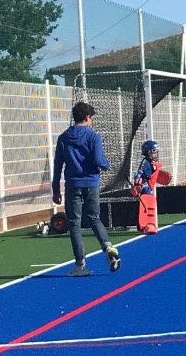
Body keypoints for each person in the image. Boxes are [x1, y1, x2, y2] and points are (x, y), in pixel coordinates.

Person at [51, 102, 120, 277]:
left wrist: (55, 189)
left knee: (74, 223)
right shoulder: (93, 137)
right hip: (91, 183)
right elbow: (98, 160)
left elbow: (58, 165)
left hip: (73, 184)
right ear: (87, 117)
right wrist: (106, 164)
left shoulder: (63, 138)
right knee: (94, 218)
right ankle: (108, 247)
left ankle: (80, 265)